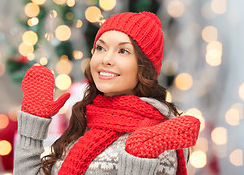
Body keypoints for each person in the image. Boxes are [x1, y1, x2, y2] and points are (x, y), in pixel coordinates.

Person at [13, 11, 200, 175]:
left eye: (123, 51)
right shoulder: (84, 124)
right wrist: (32, 126)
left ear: (144, 67)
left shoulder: (159, 139)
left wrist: (139, 162)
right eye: (101, 48)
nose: (106, 59)